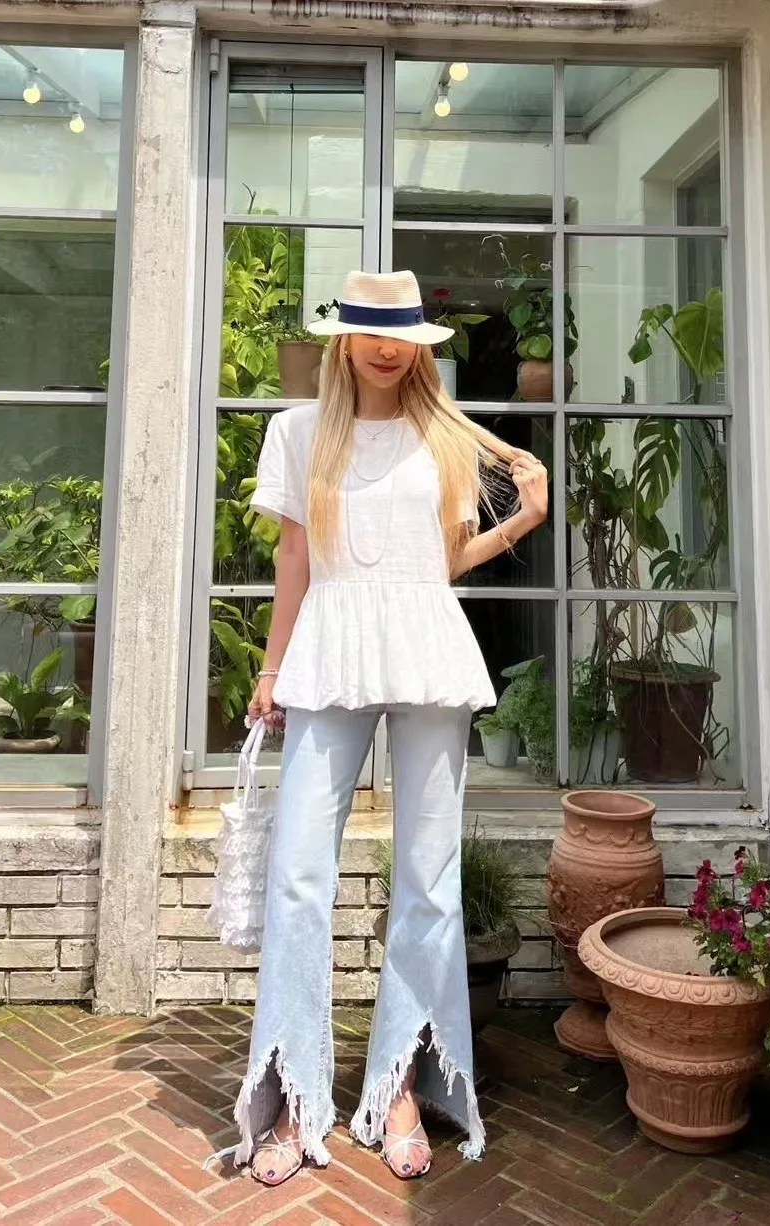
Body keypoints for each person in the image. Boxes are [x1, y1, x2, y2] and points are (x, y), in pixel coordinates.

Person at [237, 270, 548, 1188]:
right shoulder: (299, 432)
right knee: (298, 873)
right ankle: (296, 1093)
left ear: (420, 347)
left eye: (403, 335)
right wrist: (270, 669)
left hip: (426, 648)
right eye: (371, 332)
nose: (386, 349)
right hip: (329, 645)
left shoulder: (446, 435)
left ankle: (402, 1085)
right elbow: (295, 556)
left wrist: (526, 518)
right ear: (344, 340)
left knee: (428, 880)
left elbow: (441, 562)